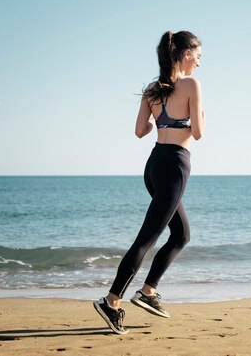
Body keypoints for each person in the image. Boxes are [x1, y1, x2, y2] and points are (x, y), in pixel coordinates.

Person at [93, 30, 205, 334]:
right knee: (147, 238)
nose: (199, 62)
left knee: (181, 234)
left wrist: (164, 118)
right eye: (198, 55)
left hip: (154, 165)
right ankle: (111, 301)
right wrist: (198, 115)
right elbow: (198, 133)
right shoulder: (191, 85)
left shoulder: (152, 90)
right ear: (184, 54)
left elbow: (140, 131)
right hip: (176, 165)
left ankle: (148, 292)